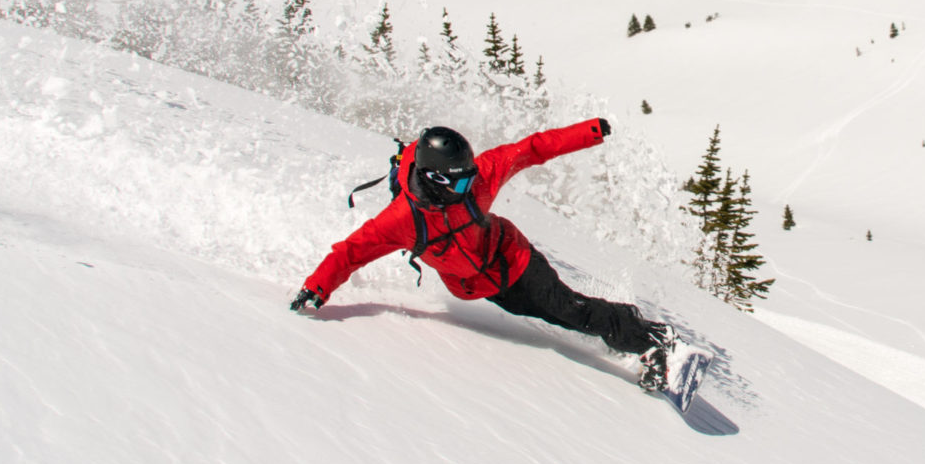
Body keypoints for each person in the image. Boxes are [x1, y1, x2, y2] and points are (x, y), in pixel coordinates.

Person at [290, 119, 679, 390]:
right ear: (434, 179)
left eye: (469, 174)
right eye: (459, 179)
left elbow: (531, 149)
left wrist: (588, 132)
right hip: (484, 288)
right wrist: (316, 289)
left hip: (514, 259)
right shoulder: (401, 221)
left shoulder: (480, 175)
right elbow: (351, 253)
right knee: (561, 317)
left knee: (568, 308)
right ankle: (633, 333)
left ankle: (652, 342)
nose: (470, 183)